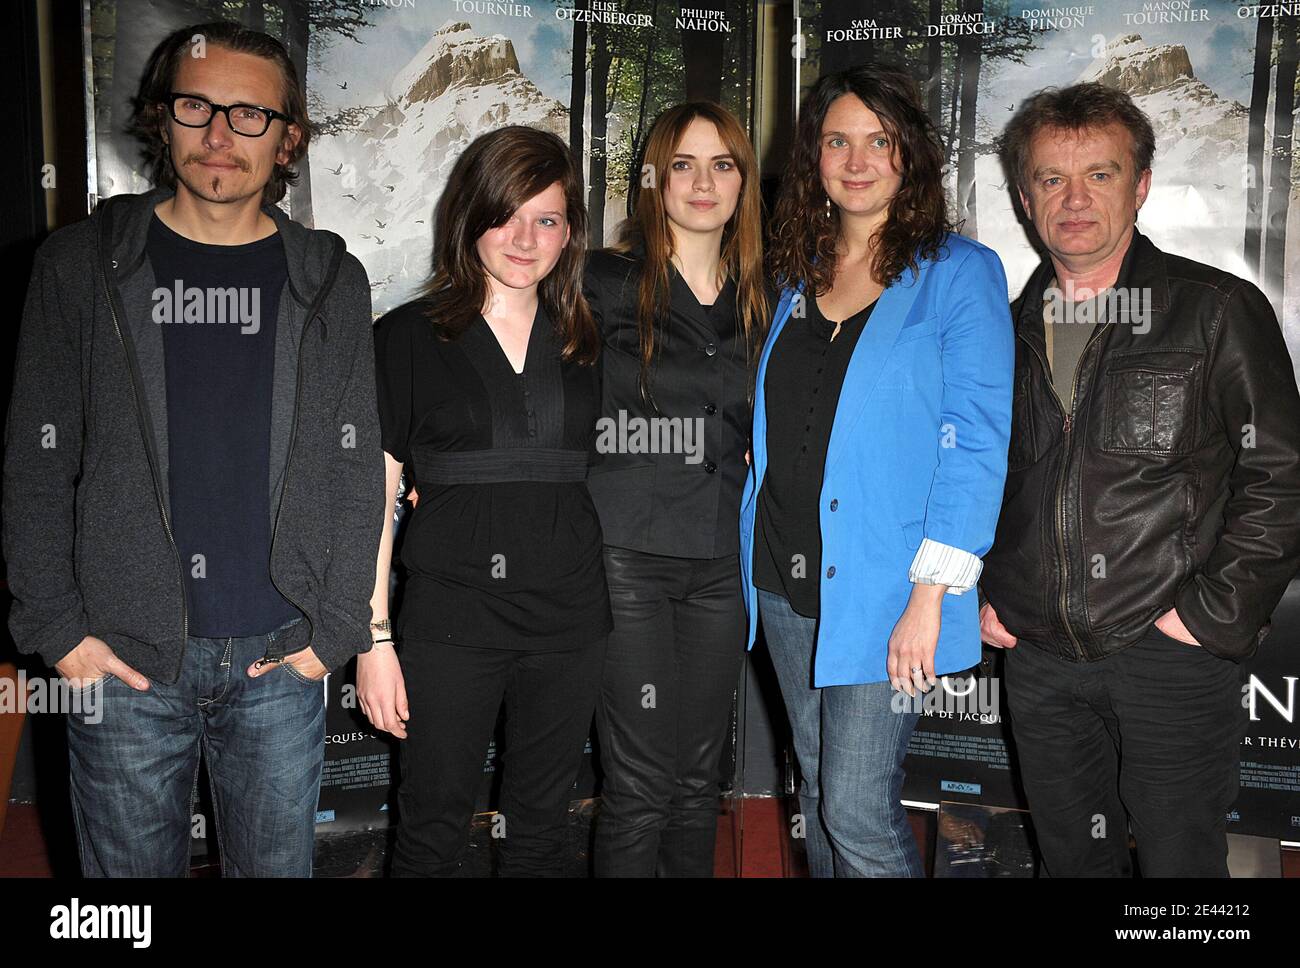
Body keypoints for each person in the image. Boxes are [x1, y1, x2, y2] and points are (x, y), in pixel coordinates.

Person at [2, 22, 384, 876]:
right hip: (122, 661)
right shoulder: (81, 265)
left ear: (288, 139)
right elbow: (36, 460)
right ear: (161, 119)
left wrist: (337, 632)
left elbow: (357, 463)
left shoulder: (330, 276)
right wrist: (57, 631)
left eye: (251, 115)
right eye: (198, 106)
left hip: (280, 660)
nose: (220, 134)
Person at [981, 82, 1300, 877]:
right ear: (1025, 198)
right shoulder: (1001, 327)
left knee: (1180, 872)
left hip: (1169, 653)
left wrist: (1207, 619)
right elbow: (982, 470)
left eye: (1101, 173)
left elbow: (1284, 474)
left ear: (1142, 185)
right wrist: (988, 589)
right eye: (1052, 178)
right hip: (1041, 658)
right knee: (1072, 864)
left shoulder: (1215, 308)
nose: (1075, 198)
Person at [741, 65, 1013, 877]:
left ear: (909, 157)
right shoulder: (795, 273)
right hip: (782, 578)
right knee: (822, 793)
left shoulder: (959, 271)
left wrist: (930, 597)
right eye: (836, 141)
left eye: (879, 142)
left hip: (890, 589)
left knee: (857, 811)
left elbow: (978, 441)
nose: (856, 161)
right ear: (813, 157)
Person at [360, 126, 610, 877]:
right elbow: (373, 498)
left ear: (570, 234)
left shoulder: (588, 338)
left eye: (547, 219)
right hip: (451, 619)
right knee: (431, 827)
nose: (524, 238)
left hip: (571, 620)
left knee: (542, 829)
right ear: (469, 216)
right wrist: (373, 641)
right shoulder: (405, 337)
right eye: (505, 215)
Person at [583, 102, 768, 877]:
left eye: (722, 164)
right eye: (683, 165)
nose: (703, 182)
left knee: (700, 778)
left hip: (725, 559)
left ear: (743, 183)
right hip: (627, 554)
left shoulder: (770, 295)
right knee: (638, 782)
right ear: (654, 180)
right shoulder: (599, 281)